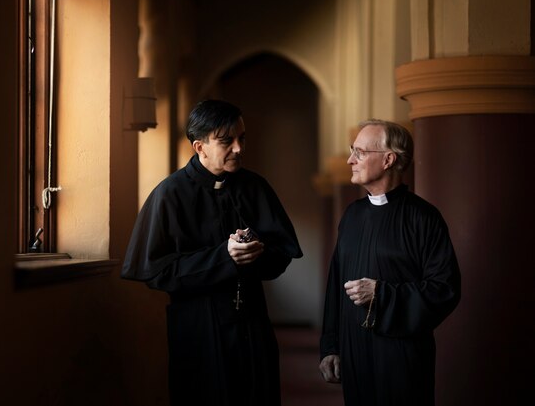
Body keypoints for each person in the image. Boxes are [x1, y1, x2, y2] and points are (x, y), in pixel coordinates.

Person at [122, 99, 303, 406]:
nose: (238, 148)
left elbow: (282, 253)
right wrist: (224, 257)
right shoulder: (169, 194)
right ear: (199, 146)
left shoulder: (255, 187)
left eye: (241, 138)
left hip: (251, 324)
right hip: (198, 329)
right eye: (226, 141)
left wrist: (256, 251)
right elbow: (155, 270)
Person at [319, 119, 461, 406]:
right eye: (351, 151)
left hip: (401, 354)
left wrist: (382, 294)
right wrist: (331, 346)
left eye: (359, 152)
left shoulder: (424, 218)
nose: (350, 160)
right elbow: (335, 283)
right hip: (354, 350)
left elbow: (445, 289)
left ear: (388, 159)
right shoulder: (352, 215)